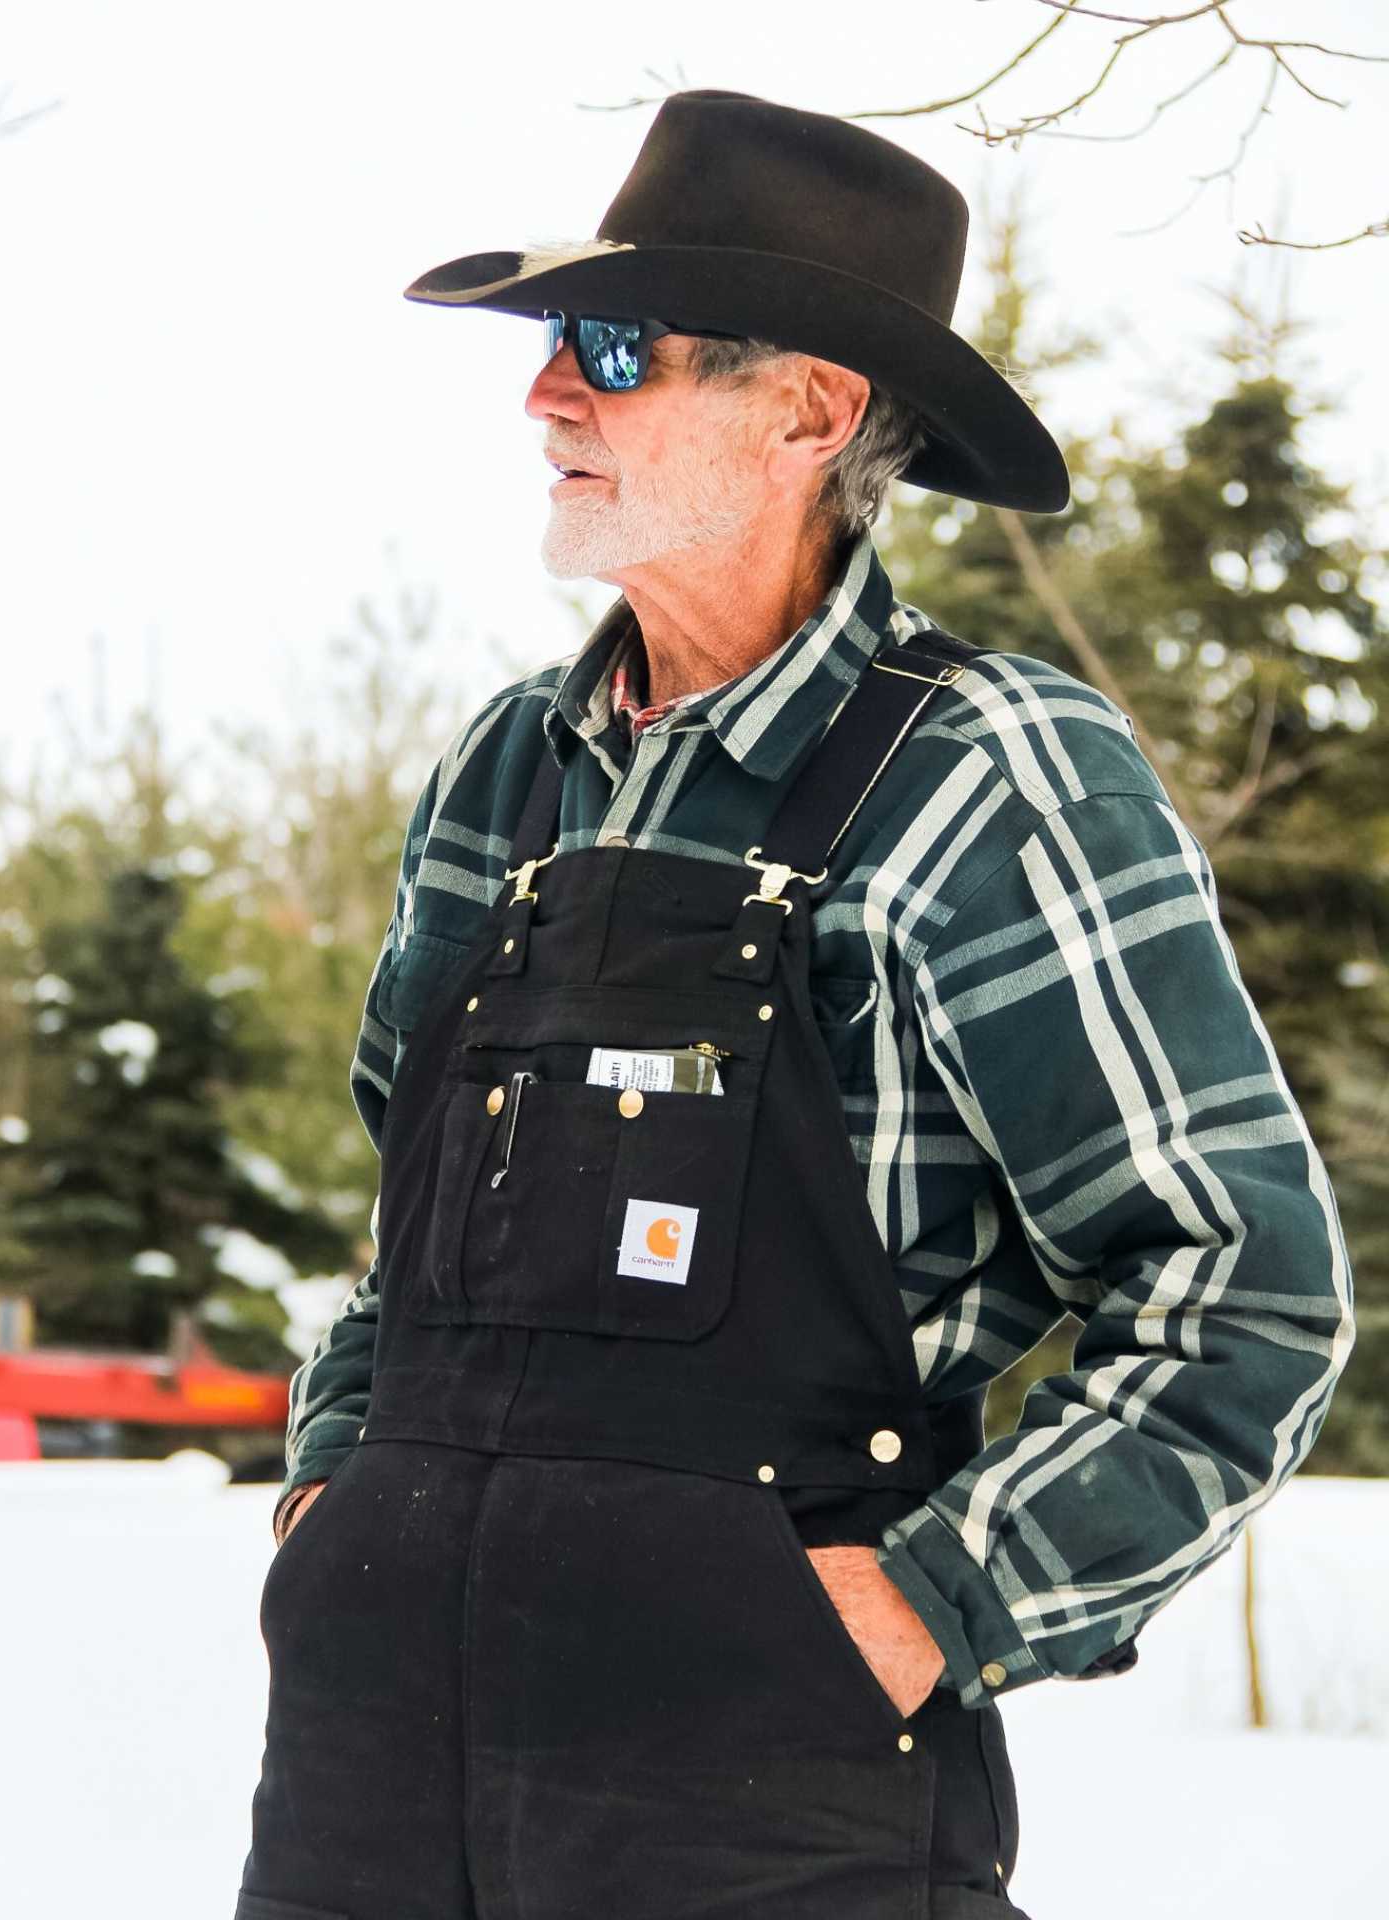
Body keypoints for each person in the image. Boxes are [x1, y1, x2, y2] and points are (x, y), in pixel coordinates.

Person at [235, 91, 1353, 1920]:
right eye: (550, 349)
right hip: (365, 1802)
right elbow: (408, 1238)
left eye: (613, 348)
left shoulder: (989, 778)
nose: (545, 399)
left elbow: (1244, 1292)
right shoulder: (505, 776)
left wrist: (933, 1604)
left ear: (809, 412)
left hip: (758, 1824)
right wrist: (337, 1509)